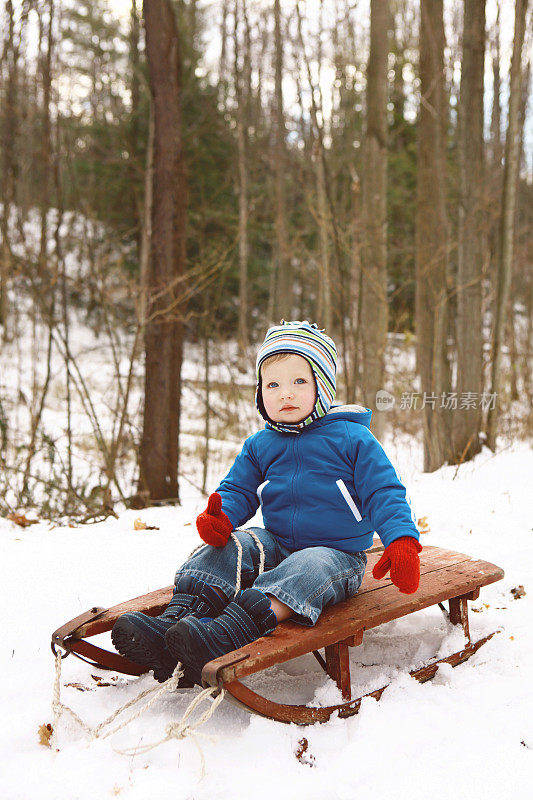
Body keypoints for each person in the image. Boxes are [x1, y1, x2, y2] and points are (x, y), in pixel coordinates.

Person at [112, 320, 422, 686]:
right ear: (261, 393)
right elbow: (239, 489)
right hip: (277, 543)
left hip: (337, 555)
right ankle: (174, 624)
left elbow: (383, 491)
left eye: (299, 382)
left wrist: (400, 540)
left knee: (310, 564)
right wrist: (222, 516)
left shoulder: (353, 438)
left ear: (322, 387)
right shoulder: (262, 443)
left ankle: (230, 631)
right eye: (273, 384)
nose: (285, 394)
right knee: (233, 545)